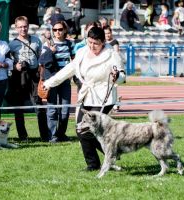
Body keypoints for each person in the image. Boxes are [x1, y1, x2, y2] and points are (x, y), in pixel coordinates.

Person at [43, 26, 126, 171]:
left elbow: (122, 76)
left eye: (96, 43)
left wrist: (116, 77)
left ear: (103, 42)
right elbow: (68, 70)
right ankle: (94, 163)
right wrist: (49, 83)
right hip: (86, 96)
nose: (92, 46)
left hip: (103, 97)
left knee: (87, 131)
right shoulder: (81, 52)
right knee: (80, 130)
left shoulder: (112, 55)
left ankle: (109, 154)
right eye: (90, 42)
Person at [7, 16, 48, 142]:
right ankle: (22, 136)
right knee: (18, 107)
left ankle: (44, 135)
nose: (23, 29)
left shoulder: (36, 40)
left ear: (28, 26)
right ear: (16, 27)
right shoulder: (12, 43)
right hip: (19, 77)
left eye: (25, 26)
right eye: (20, 27)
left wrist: (42, 74)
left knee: (39, 105)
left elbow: (42, 58)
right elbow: (8, 61)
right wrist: (15, 66)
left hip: (34, 75)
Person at [40, 19, 75, 143]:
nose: (57, 32)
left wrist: (73, 75)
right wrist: (51, 51)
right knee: (52, 108)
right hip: (52, 80)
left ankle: (61, 134)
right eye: (55, 30)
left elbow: (74, 60)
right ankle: (53, 136)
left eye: (60, 29)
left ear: (65, 30)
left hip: (65, 80)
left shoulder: (70, 44)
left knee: (65, 110)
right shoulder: (47, 44)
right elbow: (42, 61)